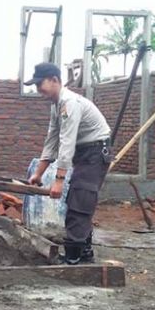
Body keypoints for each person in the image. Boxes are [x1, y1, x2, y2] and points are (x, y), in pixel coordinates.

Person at [27, 62, 112, 265]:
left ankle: (75, 256)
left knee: (80, 199)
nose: (38, 89)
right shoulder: (56, 105)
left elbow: (67, 142)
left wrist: (58, 180)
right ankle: (84, 251)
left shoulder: (69, 102)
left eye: (41, 84)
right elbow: (52, 140)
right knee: (78, 199)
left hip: (95, 151)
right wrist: (38, 173)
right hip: (85, 153)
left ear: (55, 80)